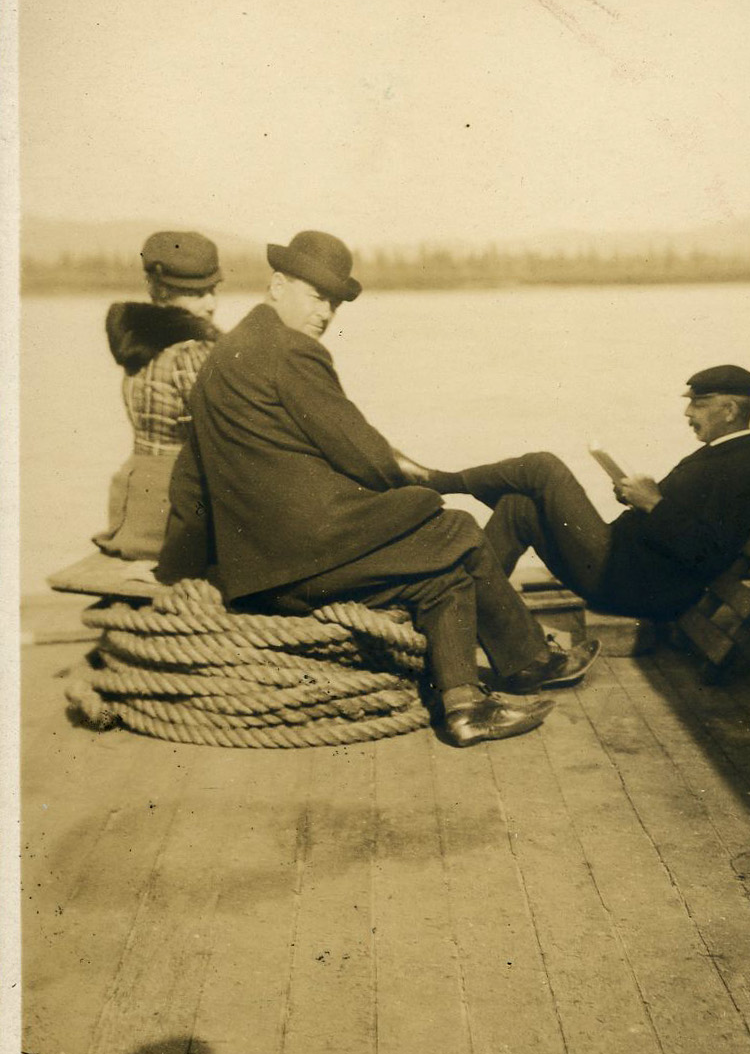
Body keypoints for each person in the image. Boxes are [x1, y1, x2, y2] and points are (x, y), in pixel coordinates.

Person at [156, 229, 598, 747]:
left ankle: (467, 705)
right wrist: (420, 483)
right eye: (316, 296)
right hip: (307, 555)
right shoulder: (290, 352)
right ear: (278, 285)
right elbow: (364, 454)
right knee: (452, 526)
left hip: (260, 573)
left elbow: (190, 482)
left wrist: (177, 571)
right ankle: (528, 662)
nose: (325, 313)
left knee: (441, 574)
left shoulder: (222, 357)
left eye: (335, 304)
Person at [400, 366, 750, 622]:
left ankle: (439, 481)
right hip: (624, 565)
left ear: (729, 410)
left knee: (542, 467)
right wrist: (636, 496)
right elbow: (684, 519)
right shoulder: (720, 455)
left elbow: (707, 553)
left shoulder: (746, 470)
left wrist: (653, 503)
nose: (688, 413)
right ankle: (461, 611)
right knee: (518, 506)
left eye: (699, 403)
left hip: (635, 584)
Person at [95, 230, 223, 561]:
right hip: (173, 518)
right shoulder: (190, 352)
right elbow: (224, 438)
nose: (211, 305)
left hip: (131, 508)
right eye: (197, 295)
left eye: (212, 290)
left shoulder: (139, 348)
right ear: (164, 292)